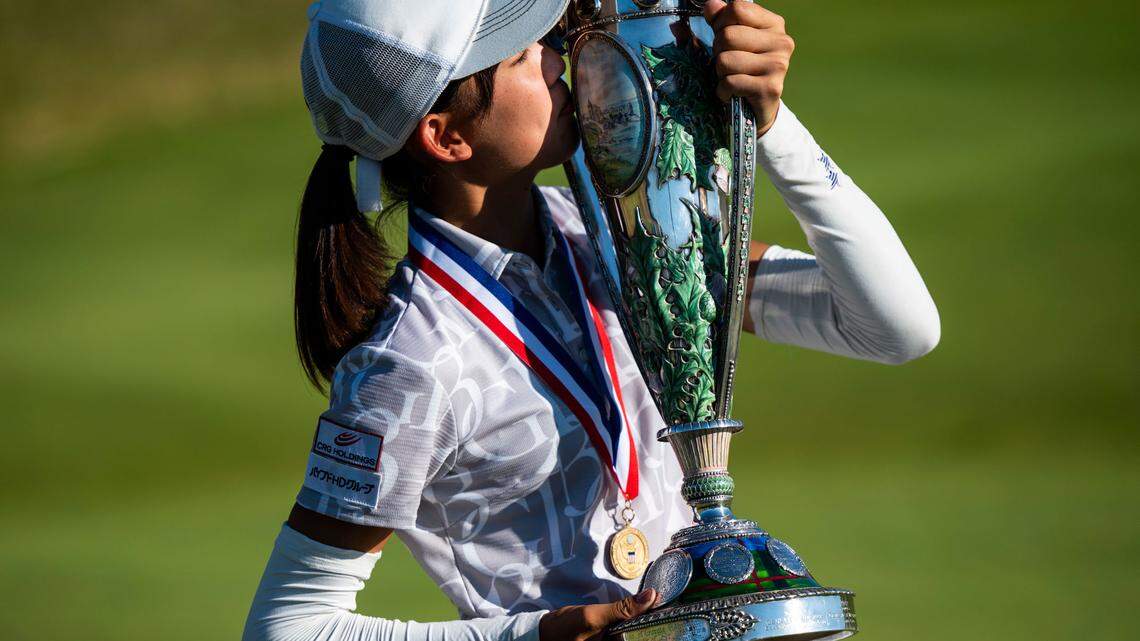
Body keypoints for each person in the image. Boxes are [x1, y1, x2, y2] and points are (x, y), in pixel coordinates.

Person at [243, 1, 940, 641]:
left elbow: (897, 326)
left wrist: (773, 127)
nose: (557, 57)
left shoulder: (614, 232)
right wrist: (539, 634)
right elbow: (291, 625)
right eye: (522, 55)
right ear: (445, 135)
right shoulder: (410, 363)